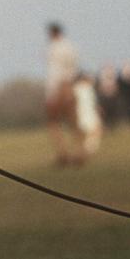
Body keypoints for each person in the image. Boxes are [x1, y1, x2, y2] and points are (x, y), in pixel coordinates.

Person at [44, 22, 80, 166]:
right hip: (69, 85)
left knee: (53, 122)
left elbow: (56, 72)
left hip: (57, 87)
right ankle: (78, 151)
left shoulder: (54, 48)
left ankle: (62, 152)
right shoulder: (70, 47)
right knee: (73, 122)